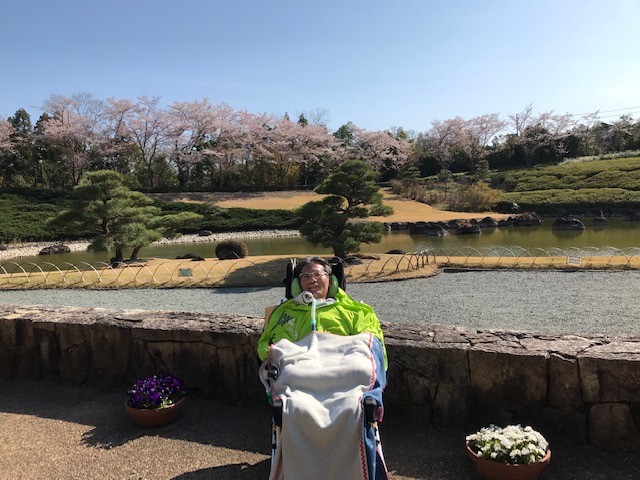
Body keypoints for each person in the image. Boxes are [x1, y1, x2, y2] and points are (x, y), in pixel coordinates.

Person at [257, 256, 387, 367]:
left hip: (344, 370)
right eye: (306, 276)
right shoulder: (284, 313)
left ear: (330, 281)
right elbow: (268, 346)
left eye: (317, 274)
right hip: (299, 372)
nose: (312, 280)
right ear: (298, 283)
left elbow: (371, 343)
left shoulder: (355, 311)